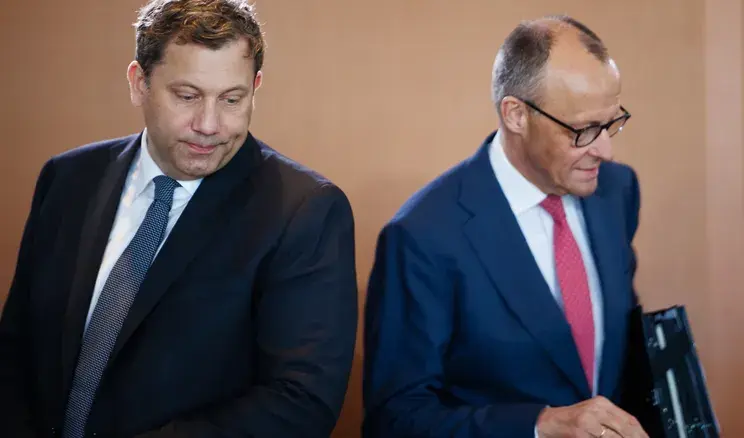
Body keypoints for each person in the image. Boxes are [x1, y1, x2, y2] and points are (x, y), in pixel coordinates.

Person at [0, 1, 358, 437]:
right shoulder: (69, 178)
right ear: (139, 83)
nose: (209, 124)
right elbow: (17, 349)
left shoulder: (303, 210)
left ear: (256, 87)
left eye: (231, 99)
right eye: (187, 96)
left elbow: (300, 403)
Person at [363, 15, 650, 438]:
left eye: (611, 123)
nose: (605, 150)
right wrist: (539, 425)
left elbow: (621, 355)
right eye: (585, 130)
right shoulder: (422, 237)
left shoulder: (616, 191)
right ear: (516, 115)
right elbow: (396, 419)